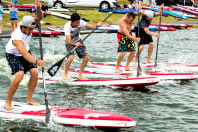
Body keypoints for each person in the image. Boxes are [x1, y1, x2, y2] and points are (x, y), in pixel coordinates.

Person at [4, 15, 45, 110]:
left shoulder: (27, 23)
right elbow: (24, 54)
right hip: (12, 54)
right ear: (23, 27)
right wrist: (36, 61)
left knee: (35, 72)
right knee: (20, 75)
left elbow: (40, 18)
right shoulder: (16, 37)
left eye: (32, 29)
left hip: (25, 51)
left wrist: (39, 9)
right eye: (30, 29)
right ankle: (8, 101)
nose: (31, 32)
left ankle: (29, 99)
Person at [64, 13, 103, 79]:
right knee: (71, 57)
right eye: (76, 23)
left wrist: (97, 25)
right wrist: (75, 44)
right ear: (71, 22)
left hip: (79, 41)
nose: (78, 24)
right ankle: (65, 75)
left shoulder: (80, 22)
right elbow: (68, 41)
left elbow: (91, 27)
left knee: (86, 58)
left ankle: (80, 75)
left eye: (78, 23)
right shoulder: (67, 26)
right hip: (70, 43)